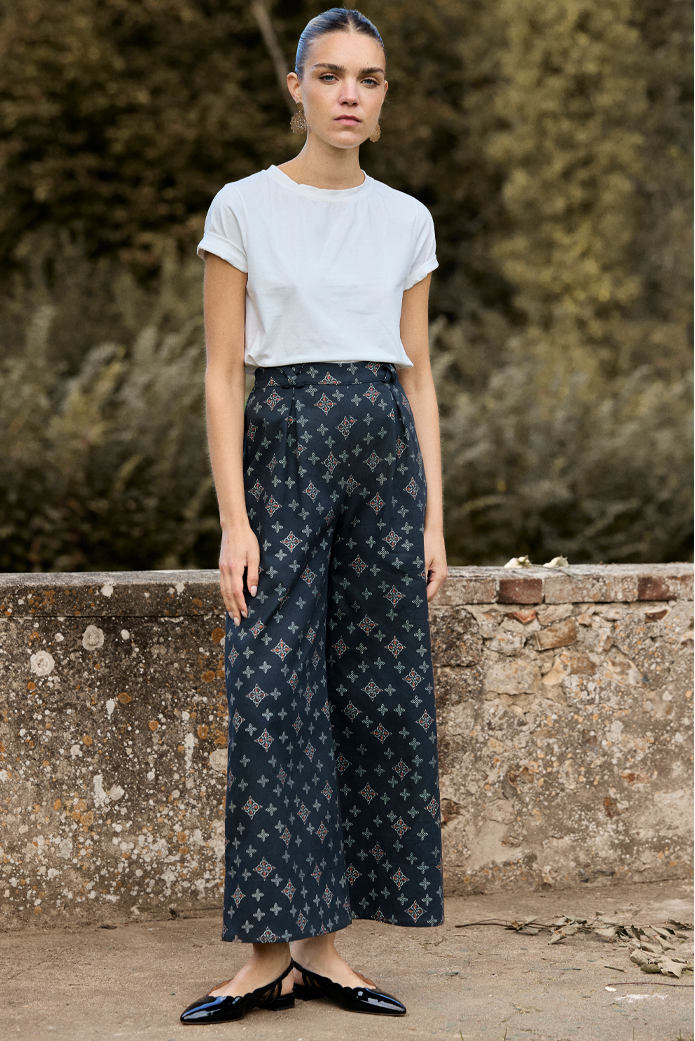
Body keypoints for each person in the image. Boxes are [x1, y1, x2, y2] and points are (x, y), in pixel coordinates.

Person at [180, 7, 448, 1025]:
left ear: (381, 97)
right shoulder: (243, 206)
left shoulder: (406, 218)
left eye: (367, 79)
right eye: (330, 74)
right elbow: (220, 374)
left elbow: (417, 376)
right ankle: (264, 955)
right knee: (269, 694)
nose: (348, 94)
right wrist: (233, 519)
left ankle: (324, 950)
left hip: (383, 453)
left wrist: (431, 518)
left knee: (371, 693)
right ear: (295, 87)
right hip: (283, 443)